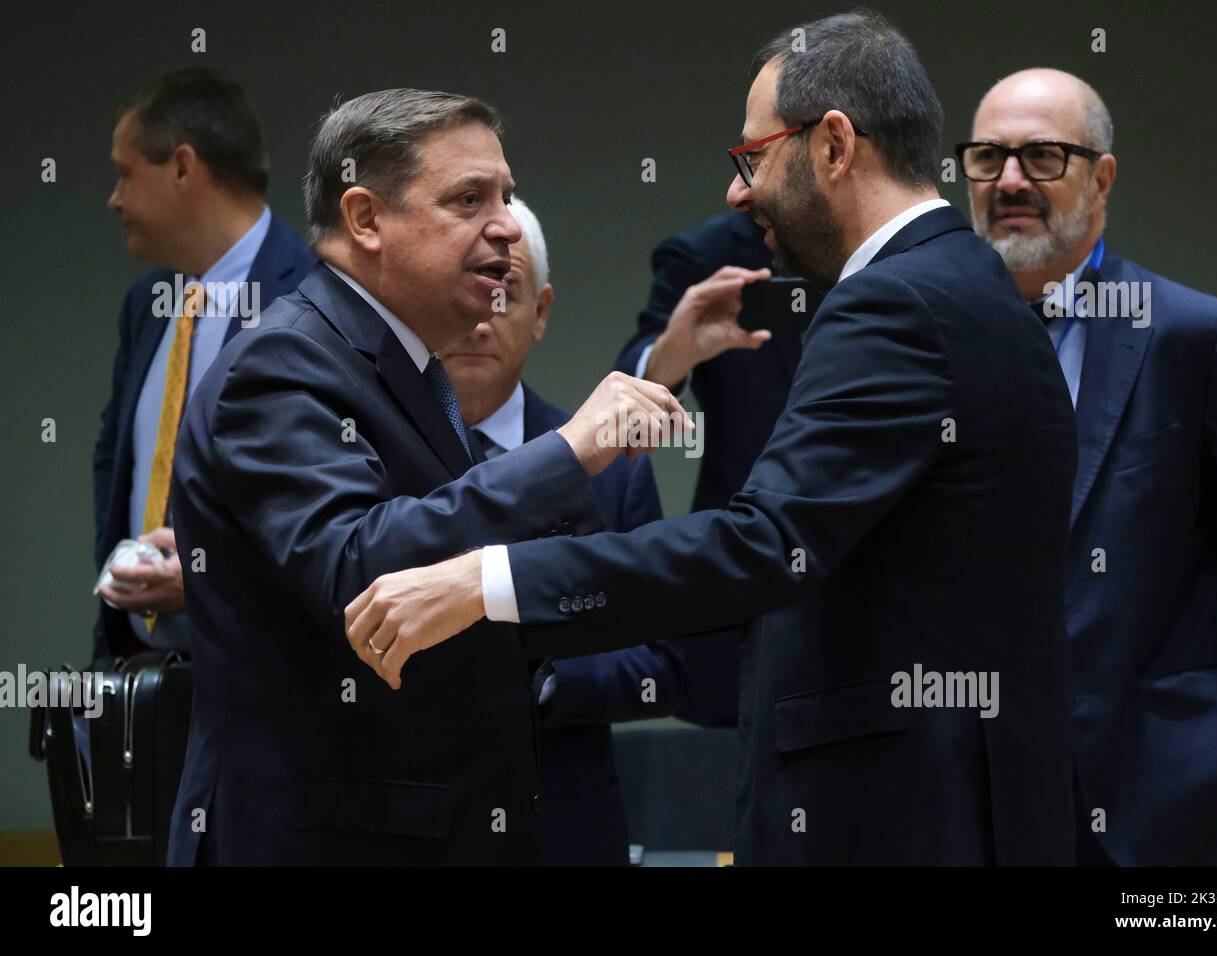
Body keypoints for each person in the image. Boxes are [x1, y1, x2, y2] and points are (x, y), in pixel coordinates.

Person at [346, 12, 1079, 865]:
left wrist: (486, 578)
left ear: (834, 145)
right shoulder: (979, 284)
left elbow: (763, 543)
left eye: (753, 157)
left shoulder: (891, 302)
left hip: (895, 815)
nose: (738, 192)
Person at [165, 89, 687, 865]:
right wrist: (568, 448)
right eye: (469, 199)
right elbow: (358, 574)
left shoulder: (408, 369)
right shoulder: (281, 365)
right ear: (366, 219)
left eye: (505, 197)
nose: (508, 224)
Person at [959, 67, 1217, 866]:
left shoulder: (1193, 337)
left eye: (1042, 156)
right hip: (963, 800)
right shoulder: (930, 335)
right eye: (987, 158)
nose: (1010, 181)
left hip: (1151, 799)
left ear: (1101, 176)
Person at [442, 197, 686, 866]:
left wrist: (537, 678)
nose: (481, 317)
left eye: (505, 292)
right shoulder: (369, 457)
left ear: (541, 312)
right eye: (465, 289)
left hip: (564, 823)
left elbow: (663, 665)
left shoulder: (610, 467)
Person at [94, 68, 314, 657]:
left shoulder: (319, 299)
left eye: (124, 174)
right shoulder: (146, 305)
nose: (114, 200)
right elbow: (116, 460)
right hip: (138, 670)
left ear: (184, 167)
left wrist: (211, 580)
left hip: (264, 680)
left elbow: (339, 505)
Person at [614, 212, 780, 726]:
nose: (739, 188)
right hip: (745, 602)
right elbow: (627, 420)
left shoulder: (895, 249)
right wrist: (670, 357)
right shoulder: (707, 254)